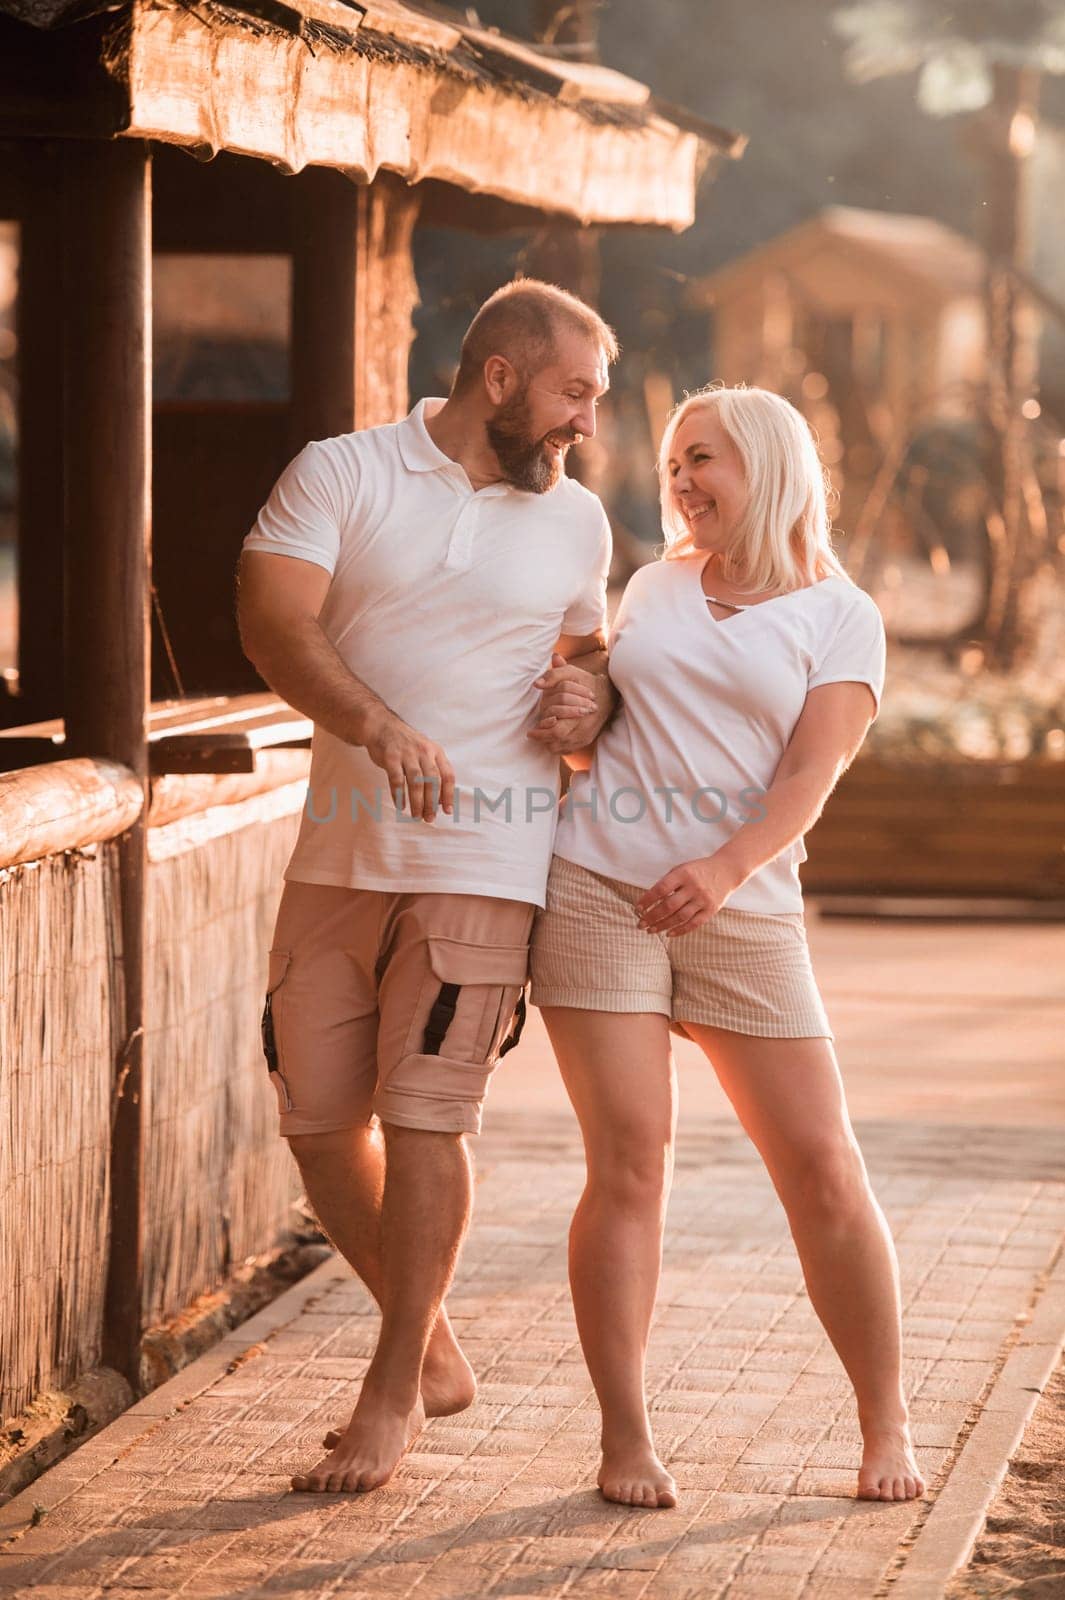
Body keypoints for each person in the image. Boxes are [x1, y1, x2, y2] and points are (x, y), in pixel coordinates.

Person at [237, 279, 619, 1494]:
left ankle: (391, 1389)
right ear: (500, 378)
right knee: (316, 1123)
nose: (586, 426)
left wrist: (591, 695)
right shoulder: (340, 472)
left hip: (486, 860)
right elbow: (272, 621)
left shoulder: (578, 523)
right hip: (341, 850)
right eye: (573, 394)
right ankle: (436, 1342)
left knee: (426, 1117)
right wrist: (377, 726)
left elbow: (588, 655)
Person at [529, 384, 926, 1510]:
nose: (683, 481)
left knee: (822, 1168)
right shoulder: (653, 585)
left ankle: (884, 1414)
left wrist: (721, 869)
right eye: (674, 463)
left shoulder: (839, 614)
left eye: (704, 458)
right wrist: (579, 706)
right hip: (599, 885)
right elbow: (603, 710)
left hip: (740, 910)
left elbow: (809, 778)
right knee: (630, 1161)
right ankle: (625, 1436)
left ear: (769, 463)